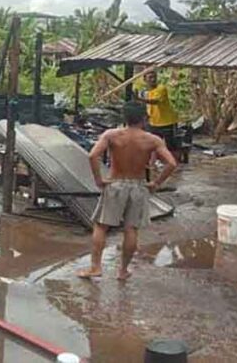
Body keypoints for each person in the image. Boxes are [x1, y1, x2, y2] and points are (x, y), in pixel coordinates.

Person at [76, 102, 177, 281]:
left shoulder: (112, 135)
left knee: (101, 226)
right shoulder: (153, 140)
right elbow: (171, 163)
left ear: (124, 118)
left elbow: (92, 155)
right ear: (144, 118)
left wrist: (99, 180)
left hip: (115, 184)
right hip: (138, 186)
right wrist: (156, 183)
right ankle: (122, 270)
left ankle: (95, 267)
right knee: (131, 229)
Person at [136, 70, 180, 160]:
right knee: (153, 145)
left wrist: (140, 99)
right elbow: (147, 106)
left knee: (171, 146)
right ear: (145, 79)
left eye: (154, 77)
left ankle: (175, 164)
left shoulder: (161, 89)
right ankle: (153, 164)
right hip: (153, 123)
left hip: (167, 122)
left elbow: (155, 101)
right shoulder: (145, 92)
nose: (153, 79)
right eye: (150, 77)